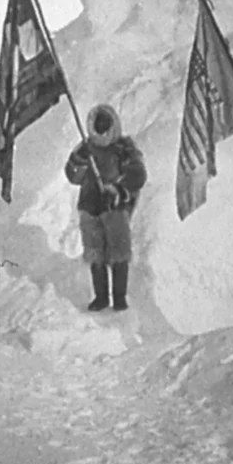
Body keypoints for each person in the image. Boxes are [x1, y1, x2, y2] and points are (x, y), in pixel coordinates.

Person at [65, 104, 147, 311]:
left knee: (119, 252)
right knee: (95, 253)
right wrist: (79, 159)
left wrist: (119, 190)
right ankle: (101, 297)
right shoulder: (86, 147)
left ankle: (119, 297)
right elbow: (73, 176)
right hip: (90, 206)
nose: (101, 127)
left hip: (114, 207)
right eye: (98, 123)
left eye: (105, 123)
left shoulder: (124, 148)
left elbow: (138, 175)